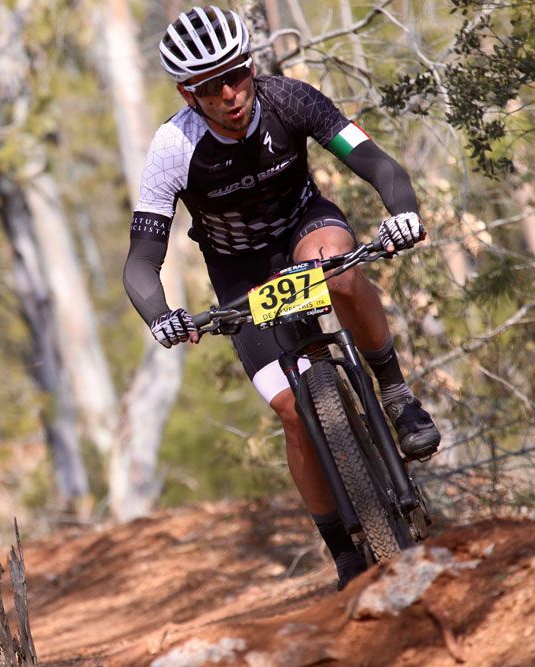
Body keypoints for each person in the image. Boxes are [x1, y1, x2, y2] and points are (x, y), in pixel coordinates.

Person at [123, 5, 441, 589]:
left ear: (250, 66)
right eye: (209, 87)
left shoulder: (291, 99)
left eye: (236, 74)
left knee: (339, 273)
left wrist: (404, 213)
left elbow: (376, 162)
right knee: (293, 412)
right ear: (186, 93)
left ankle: (394, 392)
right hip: (238, 272)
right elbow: (142, 261)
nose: (229, 94)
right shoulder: (171, 148)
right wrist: (160, 315)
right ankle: (343, 550)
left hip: (305, 227)